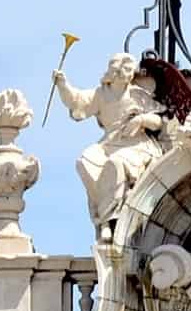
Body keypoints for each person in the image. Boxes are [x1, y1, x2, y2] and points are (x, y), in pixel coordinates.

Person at [53, 52, 166, 229]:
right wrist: (62, 85)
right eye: (125, 70)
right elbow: (76, 101)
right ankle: (103, 210)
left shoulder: (137, 95)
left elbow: (159, 122)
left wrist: (141, 120)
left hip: (136, 145)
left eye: (130, 71)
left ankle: (109, 221)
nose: (129, 74)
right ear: (114, 72)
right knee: (84, 161)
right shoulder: (101, 95)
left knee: (115, 164)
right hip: (109, 144)